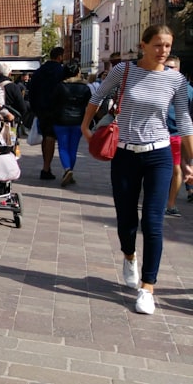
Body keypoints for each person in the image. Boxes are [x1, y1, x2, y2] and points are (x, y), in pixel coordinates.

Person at [81, 25, 193, 315]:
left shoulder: (176, 80)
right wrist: (86, 126)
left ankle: (147, 287)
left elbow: (184, 119)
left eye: (168, 46)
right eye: (158, 45)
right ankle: (129, 256)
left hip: (159, 154)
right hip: (125, 154)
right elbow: (97, 97)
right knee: (127, 218)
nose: (163, 51)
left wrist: (190, 160)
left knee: (153, 222)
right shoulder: (123, 71)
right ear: (143, 45)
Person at [50, 61, 91, 187]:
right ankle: (69, 171)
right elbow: (89, 105)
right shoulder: (85, 88)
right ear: (78, 72)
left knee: (63, 147)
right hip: (78, 120)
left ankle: (68, 169)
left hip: (61, 120)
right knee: (73, 148)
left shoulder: (60, 86)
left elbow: (53, 103)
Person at [28, 46, 66, 180]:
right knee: (51, 137)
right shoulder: (61, 71)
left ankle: (47, 166)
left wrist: (34, 109)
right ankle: (46, 168)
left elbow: (31, 91)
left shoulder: (39, 71)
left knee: (46, 137)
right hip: (55, 109)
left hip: (41, 109)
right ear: (60, 57)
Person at [164, 55, 193, 216]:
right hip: (157, 134)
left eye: (171, 67)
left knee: (176, 169)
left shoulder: (188, 90)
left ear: (178, 69)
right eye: (166, 66)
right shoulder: (158, 84)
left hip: (176, 133)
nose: (168, 70)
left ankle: (171, 203)